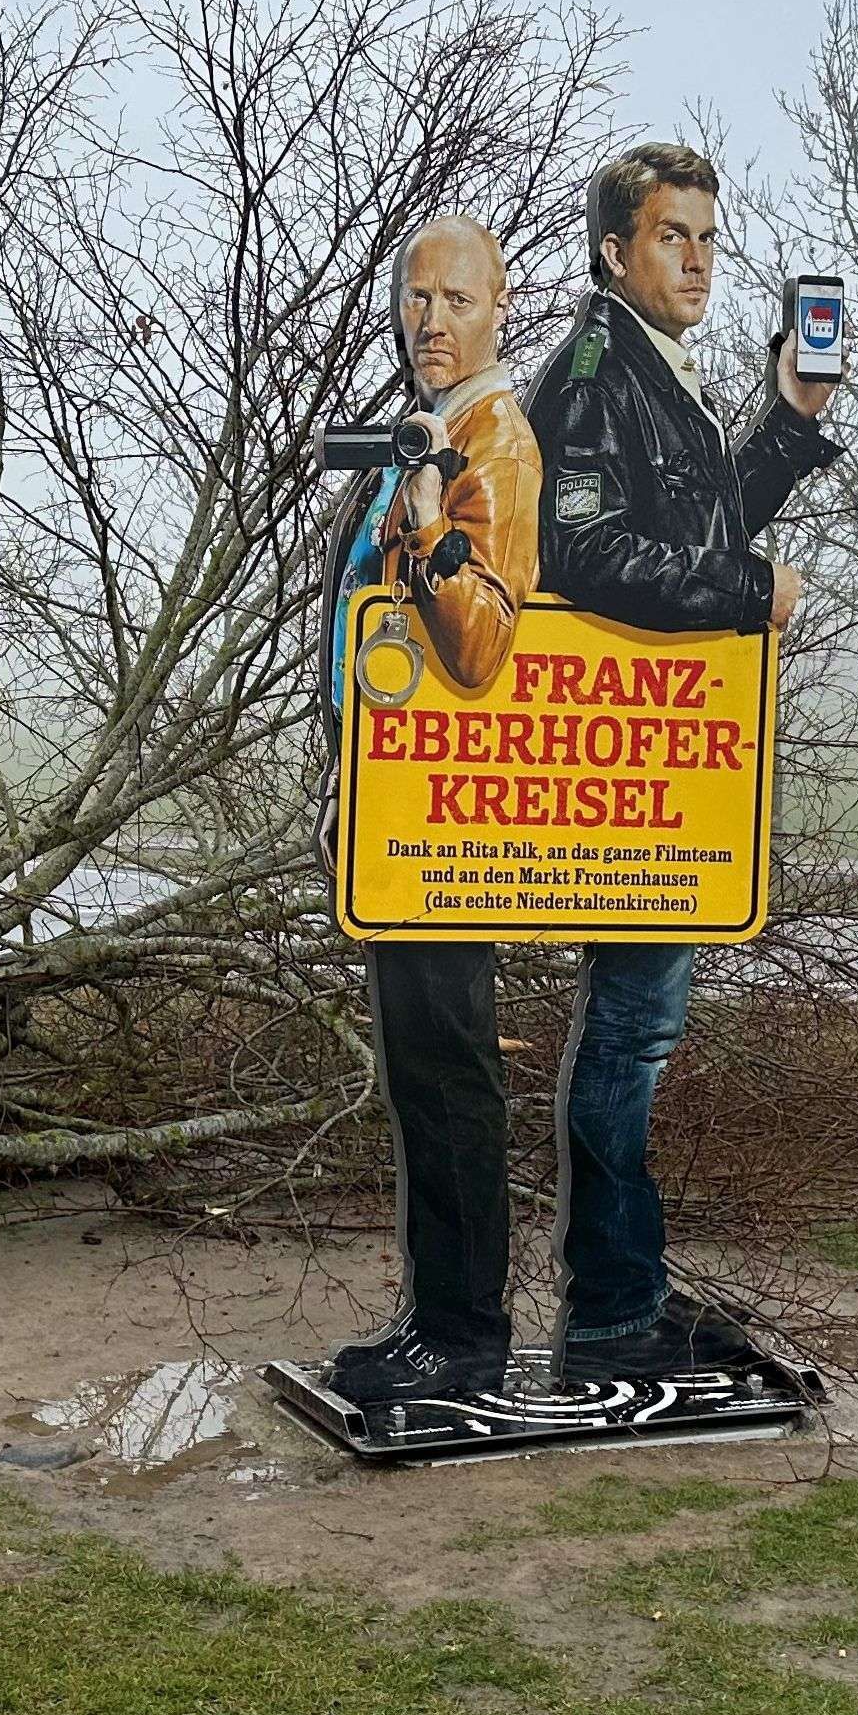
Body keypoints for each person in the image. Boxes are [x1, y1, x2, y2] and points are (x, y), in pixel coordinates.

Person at [524, 141, 843, 1383]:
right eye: (673, 237)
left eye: (709, 237)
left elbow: (694, 520)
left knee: (638, 1029)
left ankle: (625, 1293)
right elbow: (591, 555)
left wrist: (790, 422)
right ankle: (612, 1311)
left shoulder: (658, 371)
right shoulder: (598, 373)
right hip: (620, 759)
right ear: (615, 251)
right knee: (628, 1036)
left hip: (666, 760)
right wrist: (751, 588)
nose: (700, 260)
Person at [323, 213, 547, 1410]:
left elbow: (484, 650)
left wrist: (424, 533)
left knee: (452, 1068)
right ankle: (433, 1315)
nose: (431, 322)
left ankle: (467, 1333)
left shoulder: (494, 449)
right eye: (416, 299)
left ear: (498, 306)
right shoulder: (426, 435)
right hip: (400, 815)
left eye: (456, 300)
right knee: (419, 1070)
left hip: (454, 829)